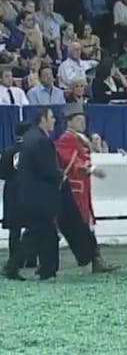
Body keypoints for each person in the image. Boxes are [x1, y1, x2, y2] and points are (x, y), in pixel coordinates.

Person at [55, 103, 118, 273]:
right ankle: (92, 259)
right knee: (78, 224)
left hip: (82, 186)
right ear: (69, 121)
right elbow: (69, 160)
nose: (82, 123)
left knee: (85, 224)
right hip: (74, 187)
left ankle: (94, 259)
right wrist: (91, 170)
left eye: (83, 119)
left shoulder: (80, 138)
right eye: (78, 119)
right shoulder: (66, 139)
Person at [4, 108, 61, 281]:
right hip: (40, 196)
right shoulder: (41, 141)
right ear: (43, 119)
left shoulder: (30, 138)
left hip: (29, 194)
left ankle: (48, 268)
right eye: (51, 118)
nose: (54, 121)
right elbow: (47, 169)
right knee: (35, 233)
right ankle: (12, 266)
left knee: (48, 232)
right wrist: (60, 174)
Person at [0, 121, 35, 272]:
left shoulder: (8, 151)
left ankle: (14, 259)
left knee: (14, 229)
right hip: (29, 189)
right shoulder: (34, 150)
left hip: (13, 191)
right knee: (32, 225)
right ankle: (31, 259)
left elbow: (2, 173)